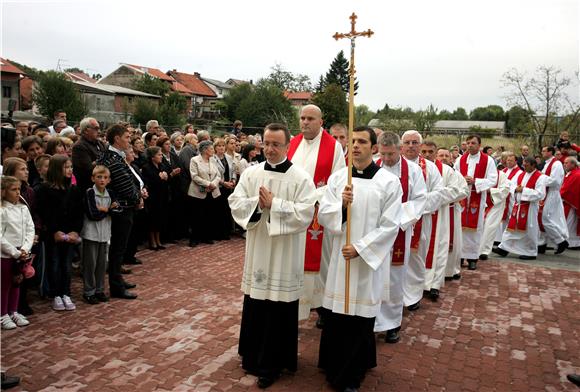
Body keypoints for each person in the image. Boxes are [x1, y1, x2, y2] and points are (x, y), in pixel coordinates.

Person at [228, 123, 316, 389]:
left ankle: (274, 363)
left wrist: (274, 205)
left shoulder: (300, 178)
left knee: (279, 305)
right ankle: (253, 356)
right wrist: (257, 205)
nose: (270, 148)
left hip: (285, 253)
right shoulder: (252, 173)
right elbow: (235, 201)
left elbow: (306, 213)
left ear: (288, 146)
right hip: (259, 250)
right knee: (256, 302)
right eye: (266, 143)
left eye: (276, 144)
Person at [318, 126, 403, 392]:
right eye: (353, 141)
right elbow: (324, 215)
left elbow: (391, 224)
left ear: (374, 147)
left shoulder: (388, 182)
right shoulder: (339, 178)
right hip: (340, 261)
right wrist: (341, 206)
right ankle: (332, 364)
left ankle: (352, 373)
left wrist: (362, 248)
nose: (355, 146)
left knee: (359, 317)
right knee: (337, 315)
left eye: (362, 142)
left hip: (366, 263)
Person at [288, 104, 346, 324]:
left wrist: (312, 198)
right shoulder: (292, 143)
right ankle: (295, 302)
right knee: (295, 259)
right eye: (302, 118)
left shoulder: (333, 147)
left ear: (321, 122)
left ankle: (322, 306)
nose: (305, 122)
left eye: (310, 118)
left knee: (322, 261)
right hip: (295, 213)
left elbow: (337, 181)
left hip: (318, 212)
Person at [374, 132, 427, 344]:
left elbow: (420, 199)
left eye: (391, 154)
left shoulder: (412, 170)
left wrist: (397, 219)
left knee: (395, 279)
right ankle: (372, 319)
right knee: (375, 278)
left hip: (398, 233)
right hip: (375, 233)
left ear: (400, 150)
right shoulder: (374, 166)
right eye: (383, 153)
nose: (386, 159)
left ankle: (392, 324)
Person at [96, 124, 141, 300]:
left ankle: (118, 279)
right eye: (127, 137)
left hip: (124, 207)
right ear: (117, 138)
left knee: (119, 249)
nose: (129, 140)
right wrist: (138, 197)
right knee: (117, 249)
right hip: (121, 209)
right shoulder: (113, 158)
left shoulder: (115, 156)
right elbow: (124, 186)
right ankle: (116, 286)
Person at [400, 131, 443, 310]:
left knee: (416, 259)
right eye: (407, 142)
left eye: (415, 142)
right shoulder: (393, 164)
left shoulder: (431, 168)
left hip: (420, 220)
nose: (411, 146)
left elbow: (438, 193)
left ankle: (413, 296)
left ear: (420, 145)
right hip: (395, 221)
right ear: (401, 145)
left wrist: (415, 207)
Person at [420, 141, 468, 301]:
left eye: (430, 152)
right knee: (420, 249)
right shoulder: (415, 168)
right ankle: (418, 284)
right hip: (420, 215)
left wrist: (436, 198)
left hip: (441, 215)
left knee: (439, 248)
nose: (427, 155)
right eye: (424, 151)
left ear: (435, 153)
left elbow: (461, 190)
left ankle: (434, 285)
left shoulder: (448, 171)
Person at [36, 155, 83, 310]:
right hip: (53, 235)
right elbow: (44, 214)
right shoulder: (44, 190)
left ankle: (66, 293)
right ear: (57, 169)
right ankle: (55, 294)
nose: (70, 170)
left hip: (69, 234)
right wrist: (54, 231)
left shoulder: (74, 189)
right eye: (66, 167)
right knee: (54, 263)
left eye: (71, 167)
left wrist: (75, 231)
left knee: (66, 265)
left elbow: (78, 213)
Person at [454, 134, 498, 270]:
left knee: (475, 230)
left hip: (477, 198)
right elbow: (454, 175)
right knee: (460, 228)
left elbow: (493, 179)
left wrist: (475, 181)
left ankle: (473, 257)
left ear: (479, 145)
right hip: (462, 198)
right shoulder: (460, 160)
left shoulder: (488, 160)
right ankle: (460, 256)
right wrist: (462, 179)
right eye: (468, 143)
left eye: (473, 143)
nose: (470, 145)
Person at [493, 157, 546, 260]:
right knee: (511, 228)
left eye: (526, 165)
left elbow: (540, 194)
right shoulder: (522, 175)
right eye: (524, 165)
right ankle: (504, 248)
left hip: (530, 207)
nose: (524, 167)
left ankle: (531, 252)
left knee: (529, 230)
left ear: (533, 165)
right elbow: (512, 186)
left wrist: (524, 190)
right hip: (518, 206)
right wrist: (516, 189)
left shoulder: (540, 177)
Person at [1, 176, 35, 329]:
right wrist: (14, 252)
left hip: (21, 252)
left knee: (17, 283)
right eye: (13, 189)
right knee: (5, 285)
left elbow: (30, 229)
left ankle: (13, 311)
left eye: (18, 189)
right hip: (6, 254)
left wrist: (25, 249)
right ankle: (3, 315)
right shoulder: (2, 210)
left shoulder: (23, 208)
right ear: (3, 192)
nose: (17, 193)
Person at [81, 166, 117, 304]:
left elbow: (117, 210)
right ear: (93, 178)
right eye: (99, 177)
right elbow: (93, 214)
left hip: (105, 233)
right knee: (90, 264)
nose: (102, 180)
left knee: (102, 264)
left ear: (109, 180)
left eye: (105, 177)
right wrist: (108, 210)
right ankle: (89, 291)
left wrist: (104, 209)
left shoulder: (111, 193)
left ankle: (99, 290)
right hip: (91, 233)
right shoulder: (90, 193)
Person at [437, 148, 469, 281]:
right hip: (434, 212)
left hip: (451, 210)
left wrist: (442, 197)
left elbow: (464, 191)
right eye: (441, 155)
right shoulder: (429, 171)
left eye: (446, 155)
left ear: (451, 159)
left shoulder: (456, 174)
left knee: (453, 241)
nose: (443, 158)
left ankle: (451, 270)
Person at [188, 140, 221, 246]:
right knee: (196, 216)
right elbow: (194, 176)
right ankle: (194, 238)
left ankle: (206, 236)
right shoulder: (195, 160)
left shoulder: (213, 159)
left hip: (212, 191)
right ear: (205, 150)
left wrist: (213, 184)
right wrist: (207, 184)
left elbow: (218, 175)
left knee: (209, 215)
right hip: (198, 192)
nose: (213, 150)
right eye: (211, 149)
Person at [537, 146, 569, 254]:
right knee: (541, 218)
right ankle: (542, 244)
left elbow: (555, 181)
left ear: (550, 152)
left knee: (545, 219)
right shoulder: (547, 163)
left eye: (544, 151)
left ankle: (561, 241)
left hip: (552, 193)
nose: (542, 152)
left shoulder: (557, 164)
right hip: (546, 193)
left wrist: (541, 178)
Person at [478, 162, 510, 260]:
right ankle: (475, 249)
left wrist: (490, 191)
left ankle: (484, 251)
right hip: (480, 203)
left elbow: (505, 189)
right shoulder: (481, 174)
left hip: (495, 205)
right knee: (479, 226)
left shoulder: (501, 175)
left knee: (489, 227)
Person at [141, 146, 170, 250]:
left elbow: (167, 176)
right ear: (152, 157)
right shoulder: (146, 167)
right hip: (153, 197)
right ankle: (152, 241)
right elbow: (148, 182)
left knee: (160, 218)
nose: (161, 156)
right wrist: (160, 178)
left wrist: (166, 177)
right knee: (152, 219)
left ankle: (158, 240)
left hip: (162, 196)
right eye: (159, 154)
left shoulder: (162, 165)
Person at [71, 117, 106, 193]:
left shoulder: (100, 143)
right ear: (86, 130)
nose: (99, 131)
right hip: (88, 189)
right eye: (96, 128)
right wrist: (103, 159)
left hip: (102, 187)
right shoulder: (79, 146)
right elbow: (88, 169)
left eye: (99, 128)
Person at [212, 138, 236, 240]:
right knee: (218, 210)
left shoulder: (228, 157)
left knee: (227, 210)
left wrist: (233, 180)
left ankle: (226, 232)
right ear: (215, 148)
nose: (221, 148)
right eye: (219, 146)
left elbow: (233, 170)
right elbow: (214, 174)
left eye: (222, 146)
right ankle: (218, 233)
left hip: (228, 186)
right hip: (219, 187)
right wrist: (223, 182)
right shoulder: (213, 159)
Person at [560, 157, 580, 249]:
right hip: (568, 202)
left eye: (567, 163)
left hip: (571, 203)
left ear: (573, 164)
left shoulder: (576, 175)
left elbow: (569, 190)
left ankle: (573, 243)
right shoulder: (571, 173)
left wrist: (559, 194)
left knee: (571, 223)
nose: (564, 164)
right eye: (564, 162)